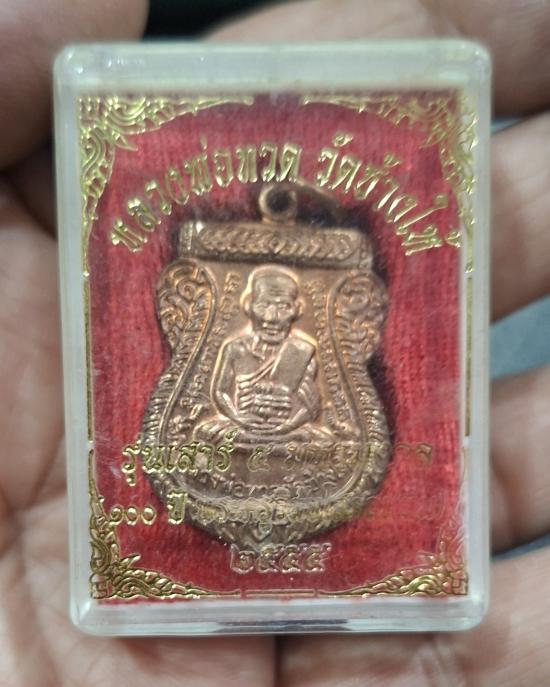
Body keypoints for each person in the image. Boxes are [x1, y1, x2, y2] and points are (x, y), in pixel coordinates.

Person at [2, 1, 550, 686]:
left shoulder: (307, 349)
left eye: (281, 309)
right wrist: (244, 411)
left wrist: (284, 413)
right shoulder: (233, 341)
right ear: (249, 307)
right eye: (261, 308)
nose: (269, 320)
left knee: (322, 436)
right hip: (234, 432)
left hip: (293, 435)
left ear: (293, 309)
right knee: (208, 427)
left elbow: (318, 403)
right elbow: (216, 395)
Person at [195, 266, 332, 445]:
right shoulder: (236, 349)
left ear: (297, 310)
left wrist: (288, 426)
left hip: (286, 430)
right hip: (242, 426)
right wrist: (237, 417)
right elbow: (220, 391)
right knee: (204, 433)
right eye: (263, 305)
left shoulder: (302, 351)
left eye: (283, 307)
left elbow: (310, 405)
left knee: (325, 441)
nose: (272, 317)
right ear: (248, 306)